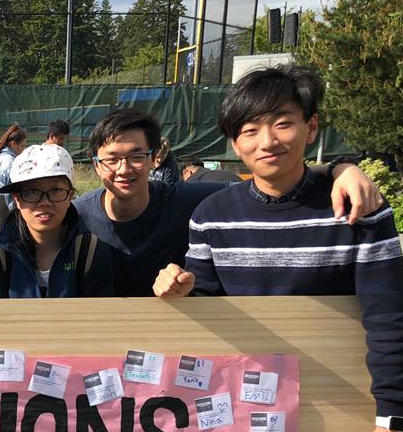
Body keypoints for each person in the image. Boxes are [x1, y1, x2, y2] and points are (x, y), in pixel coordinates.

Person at [152, 64, 403, 432]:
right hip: (244, 402)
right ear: (234, 142)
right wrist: (180, 292)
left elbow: (389, 318)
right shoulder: (211, 217)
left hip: (340, 401)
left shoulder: (359, 210)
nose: (267, 141)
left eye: (283, 123)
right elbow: (211, 313)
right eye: (249, 130)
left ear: (311, 128)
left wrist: (391, 420)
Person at [74, 109, 384, 297]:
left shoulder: (193, 199)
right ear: (97, 164)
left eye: (136, 156)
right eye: (112, 159)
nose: (124, 169)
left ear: (154, 158)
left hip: (177, 332)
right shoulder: (77, 215)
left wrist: (341, 169)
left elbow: (264, 184)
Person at [0, 144, 113, 298]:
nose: (45, 202)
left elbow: (97, 316)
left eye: (56, 191)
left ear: (70, 196)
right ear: (17, 199)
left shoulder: (90, 251)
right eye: (32, 192)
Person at [0, 124, 27, 227]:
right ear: (13, 144)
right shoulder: (8, 160)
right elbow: (9, 188)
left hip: (1, 200)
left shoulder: (5, 157)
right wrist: (13, 207)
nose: (23, 150)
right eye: (22, 146)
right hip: (5, 202)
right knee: (10, 236)